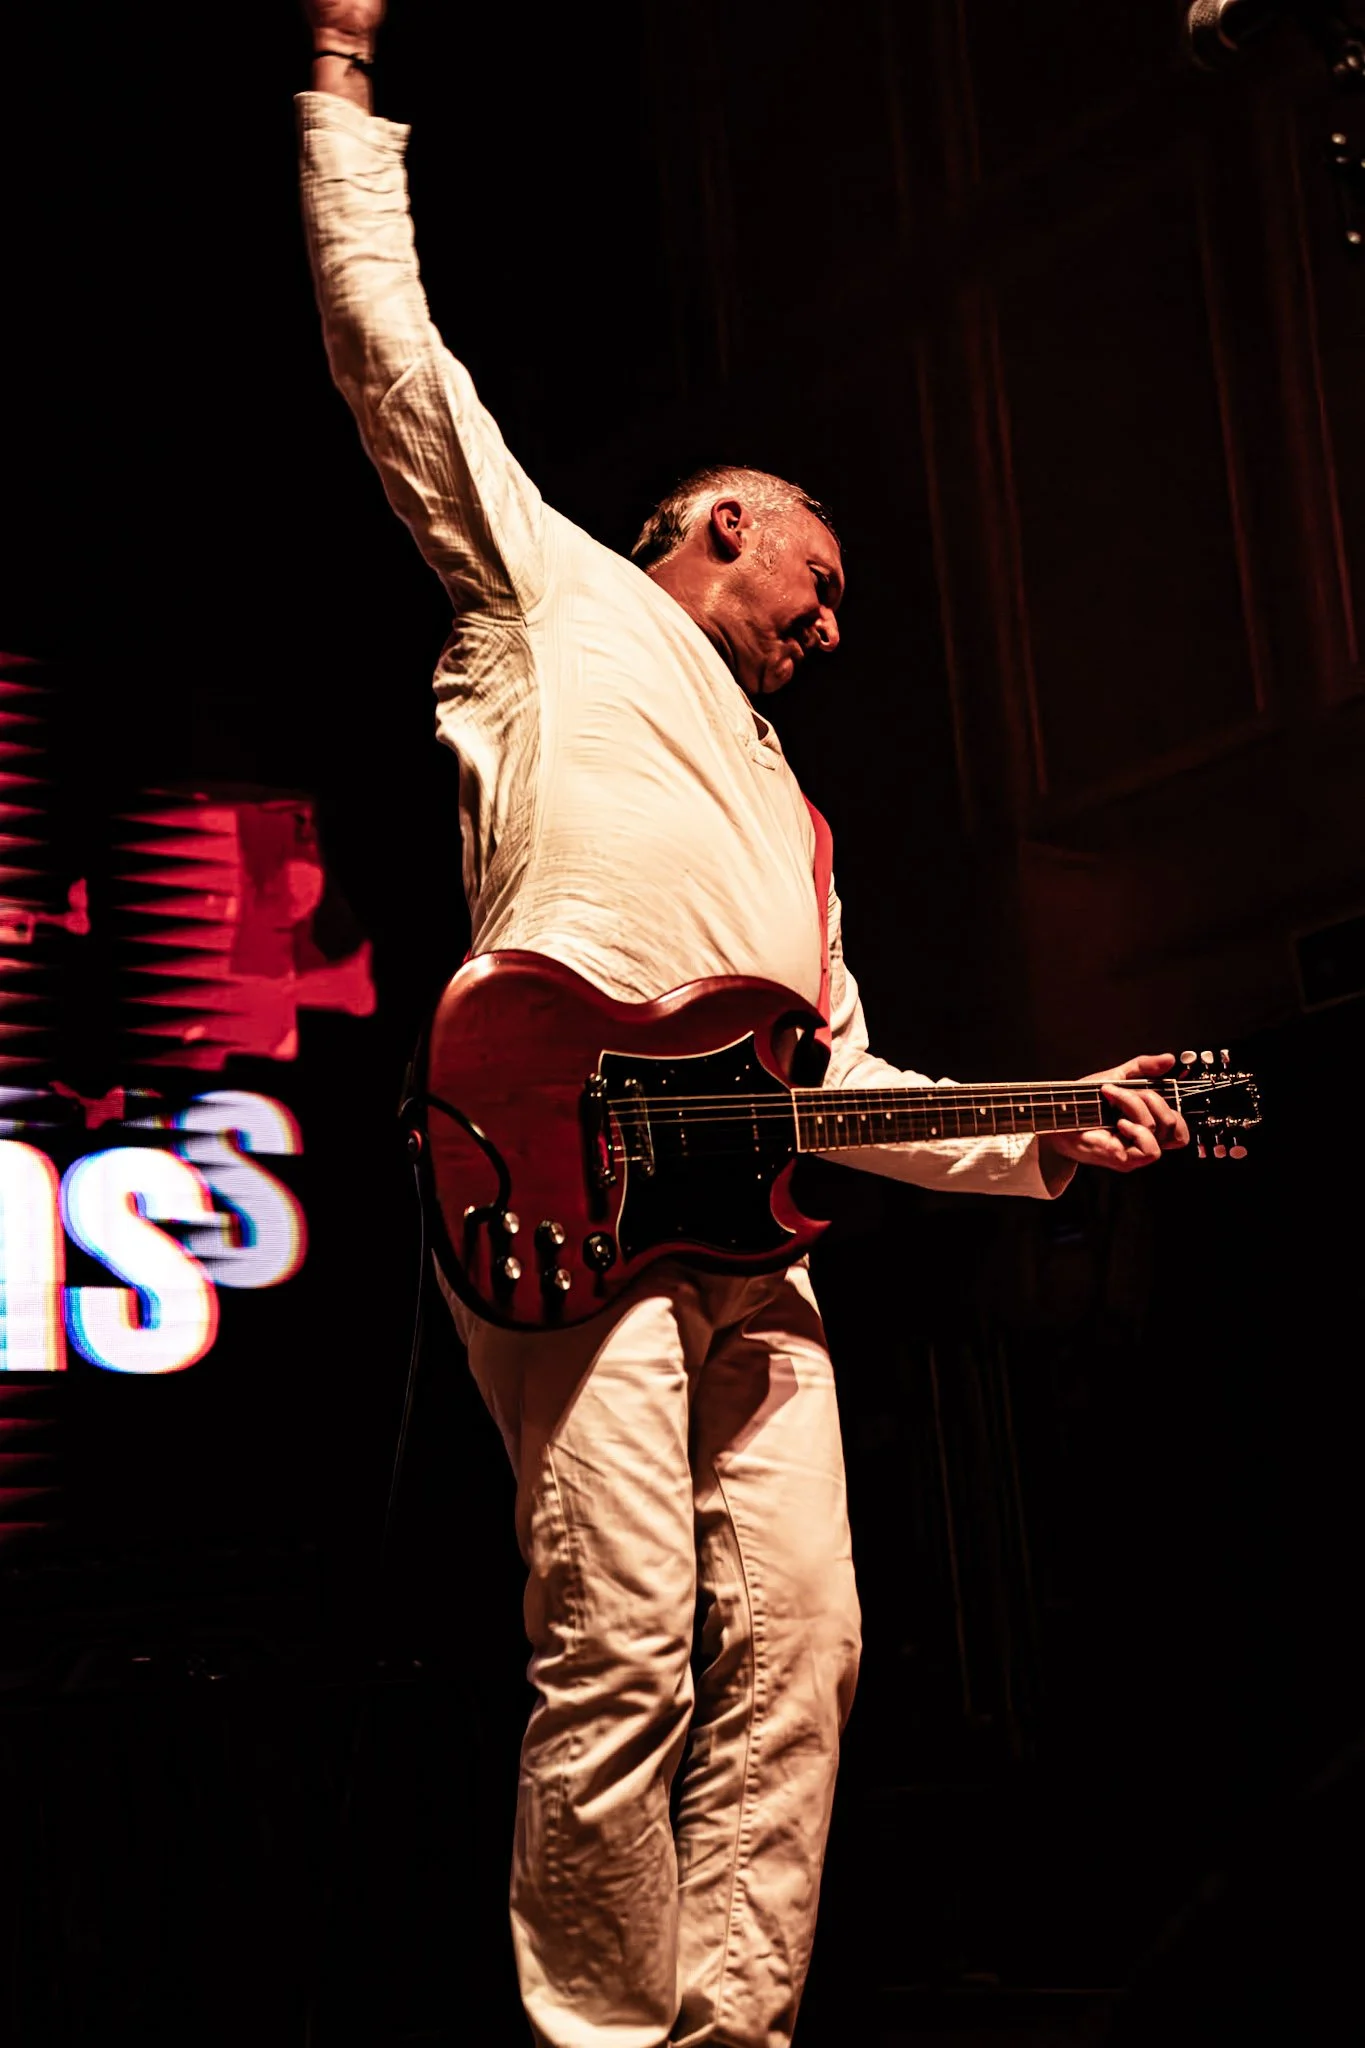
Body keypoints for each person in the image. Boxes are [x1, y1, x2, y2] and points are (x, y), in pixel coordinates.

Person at [297, 9, 1190, 2044]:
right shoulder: (560, 598)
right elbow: (394, 361)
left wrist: (1046, 1129)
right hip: (556, 1159)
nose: (833, 621)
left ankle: (732, 2032)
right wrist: (344, 99)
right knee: (618, 1643)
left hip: (748, 1234)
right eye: (820, 576)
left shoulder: (800, 818)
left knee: (807, 1643)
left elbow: (839, 1083)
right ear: (719, 525)